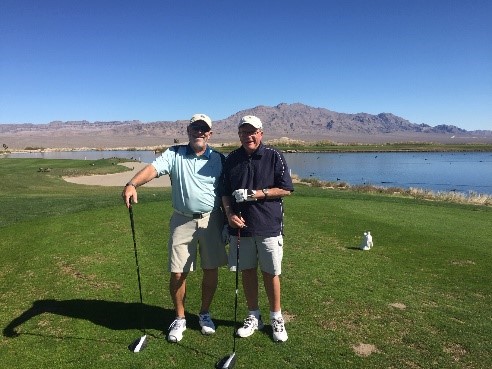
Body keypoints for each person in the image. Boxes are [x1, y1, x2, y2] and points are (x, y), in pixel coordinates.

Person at [122, 113, 228, 343]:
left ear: (209, 133)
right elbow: (152, 169)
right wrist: (132, 184)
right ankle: (180, 318)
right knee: (178, 271)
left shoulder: (220, 159)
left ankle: (204, 314)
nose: (199, 132)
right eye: (195, 128)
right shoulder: (174, 154)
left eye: (203, 129)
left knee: (211, 269)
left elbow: (229, 191)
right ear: (188, 131)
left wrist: (231, 221)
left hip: (212, 220)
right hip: (182, 220)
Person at [222, 115, 294, 342]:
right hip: (241, 229)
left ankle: (276, 318)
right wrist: (229, 214)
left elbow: (286, 189)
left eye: (252, 132)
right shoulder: (232, 158)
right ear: (239, 135)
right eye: (243, 132)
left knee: (271, 273)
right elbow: (224, 192)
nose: (248, 136)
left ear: (261, 133)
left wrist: (257, 194)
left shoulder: (274, 156)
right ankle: (254, 316)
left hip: (268, 226)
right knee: (247, 272)